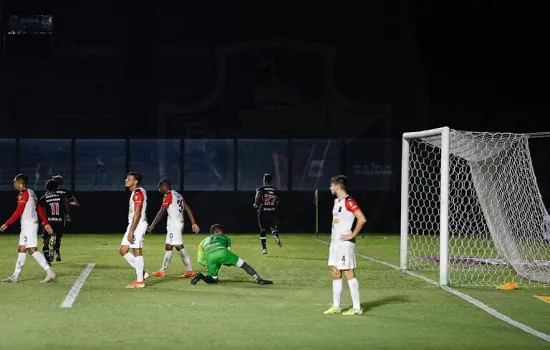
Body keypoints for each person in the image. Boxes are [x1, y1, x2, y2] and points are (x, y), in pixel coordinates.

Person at [1, 174, 57, 283]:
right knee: (21, 248)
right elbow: (39, 209)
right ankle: (15, 276)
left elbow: (18, 211)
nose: (14, 184)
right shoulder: (31, 192)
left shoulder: (24, 194)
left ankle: (49, 272)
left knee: (32, 250)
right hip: (28, 225)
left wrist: (6, 224)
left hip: (29, 225)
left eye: (15, 182)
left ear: (20, 183)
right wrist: (45, 223)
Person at [324, 175, 367, 316]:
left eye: (331, 186)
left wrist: (352, 235)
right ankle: (336, 305)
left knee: (348, 272)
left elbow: (361, 219)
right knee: (335, 272)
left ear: (337, 186)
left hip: (345, 244)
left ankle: (357, 307)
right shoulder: (337, 201)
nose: (330, 188)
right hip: (335, 243)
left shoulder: (349, 201)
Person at [147, 179, 200, 278]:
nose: (159, 190)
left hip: (175, 224)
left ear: (164, 187)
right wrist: (193, 223)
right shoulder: (178, 195)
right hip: (175, 224)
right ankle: (162, 270)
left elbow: (162, 211)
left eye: (160, 188)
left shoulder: (168, 195)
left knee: (179, 246)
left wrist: (153, 224)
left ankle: (190, 270)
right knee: (168, 246)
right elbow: (187, 208)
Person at [191, 224, 273, 285]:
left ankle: (201, 276)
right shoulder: (225, 237)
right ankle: (259, 279)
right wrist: (227, 262)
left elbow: (200, 258)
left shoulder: (203, 241)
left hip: (209, 257)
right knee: (244, 265)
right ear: (221, 231)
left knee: (213, 280)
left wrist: (210, 264)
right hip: (222, 252)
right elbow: (228, 251)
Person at [119, 172, 149, 288]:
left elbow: (137, 213)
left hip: (138, 225)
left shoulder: (138, 192)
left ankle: (140, 281)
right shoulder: (135, 193)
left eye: (129, 179)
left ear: (135, 181)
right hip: (133, 224)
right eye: (126, 178)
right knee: (123, 250)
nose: (126, 180)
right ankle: (142, 273)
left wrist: (132, 230)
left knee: (136, 249)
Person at [52, 175, 79, 262]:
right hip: (61, 217)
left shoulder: (50, 192)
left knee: (52, 234)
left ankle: (51, 251)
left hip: (50, 217)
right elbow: (76, 203)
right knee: (58, 235)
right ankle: (56, 252)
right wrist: (68, 203)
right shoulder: (65, 192)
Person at [38, 179, 66, 265]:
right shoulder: (61, 197)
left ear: (47, 188)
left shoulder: (44, 198)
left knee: (45, 242)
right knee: (58, 239)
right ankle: (55, 248)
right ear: (56, 187)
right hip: (59, 221)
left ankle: (47, 260)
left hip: (49, 222)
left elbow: (38, 209)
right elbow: (64, 208)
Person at [253, 173, 281, 254]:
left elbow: (258, 195)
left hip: (263, 211)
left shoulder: (261, 189)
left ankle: (264, 248)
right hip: (272, 211)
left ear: (264, 180)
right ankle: (275, 235)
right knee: (272, 227)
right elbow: (278, 201)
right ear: (271, 181)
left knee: (263, 229)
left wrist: (256, 204)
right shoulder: (275, 190)